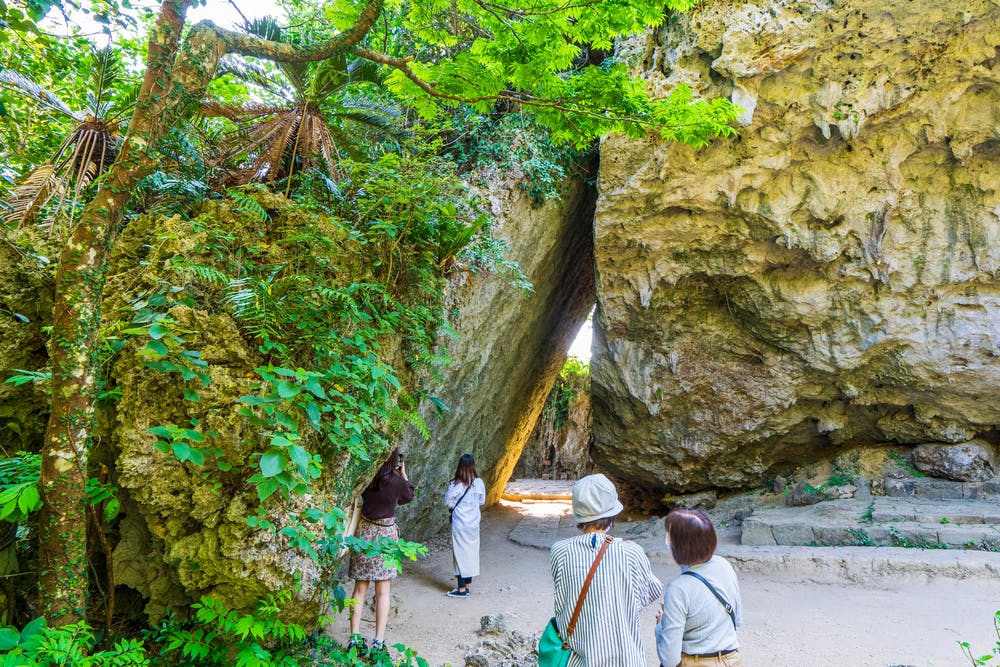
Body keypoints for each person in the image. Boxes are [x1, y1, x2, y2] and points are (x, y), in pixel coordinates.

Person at [549, 473, 663, 666]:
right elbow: (652, 591)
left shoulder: (560, 552)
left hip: (579, 660)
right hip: (626, 658)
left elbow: (562, 601)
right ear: (612, 513)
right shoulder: (631, 552)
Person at [347, 447, 414, 657]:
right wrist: (403, 475)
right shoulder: (397, 482)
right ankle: (378, 641)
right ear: (395, 460)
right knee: (383, 591)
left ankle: (354, 638)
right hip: (385, 536)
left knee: (359, 589)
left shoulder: (368, 478)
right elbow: (408, 496)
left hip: (365, 533)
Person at [655, 509, 743, 667]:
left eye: (670, 535)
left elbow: (669, 659)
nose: (667, 539)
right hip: (731, 660)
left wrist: (661, 626)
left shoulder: (678, 589)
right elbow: (738, 620)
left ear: (680, 546)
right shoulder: (724, 565)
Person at [444, 453, 486, 598]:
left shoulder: (456, 484)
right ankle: (467, 585)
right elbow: (482, 501)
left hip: (460, 523)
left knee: (459, 554)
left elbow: (448, 501)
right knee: (471, 553)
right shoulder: (479, 483)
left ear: (460, 467)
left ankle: (461, 589)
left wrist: (457, 507)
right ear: (473, 465)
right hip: (474, 523)